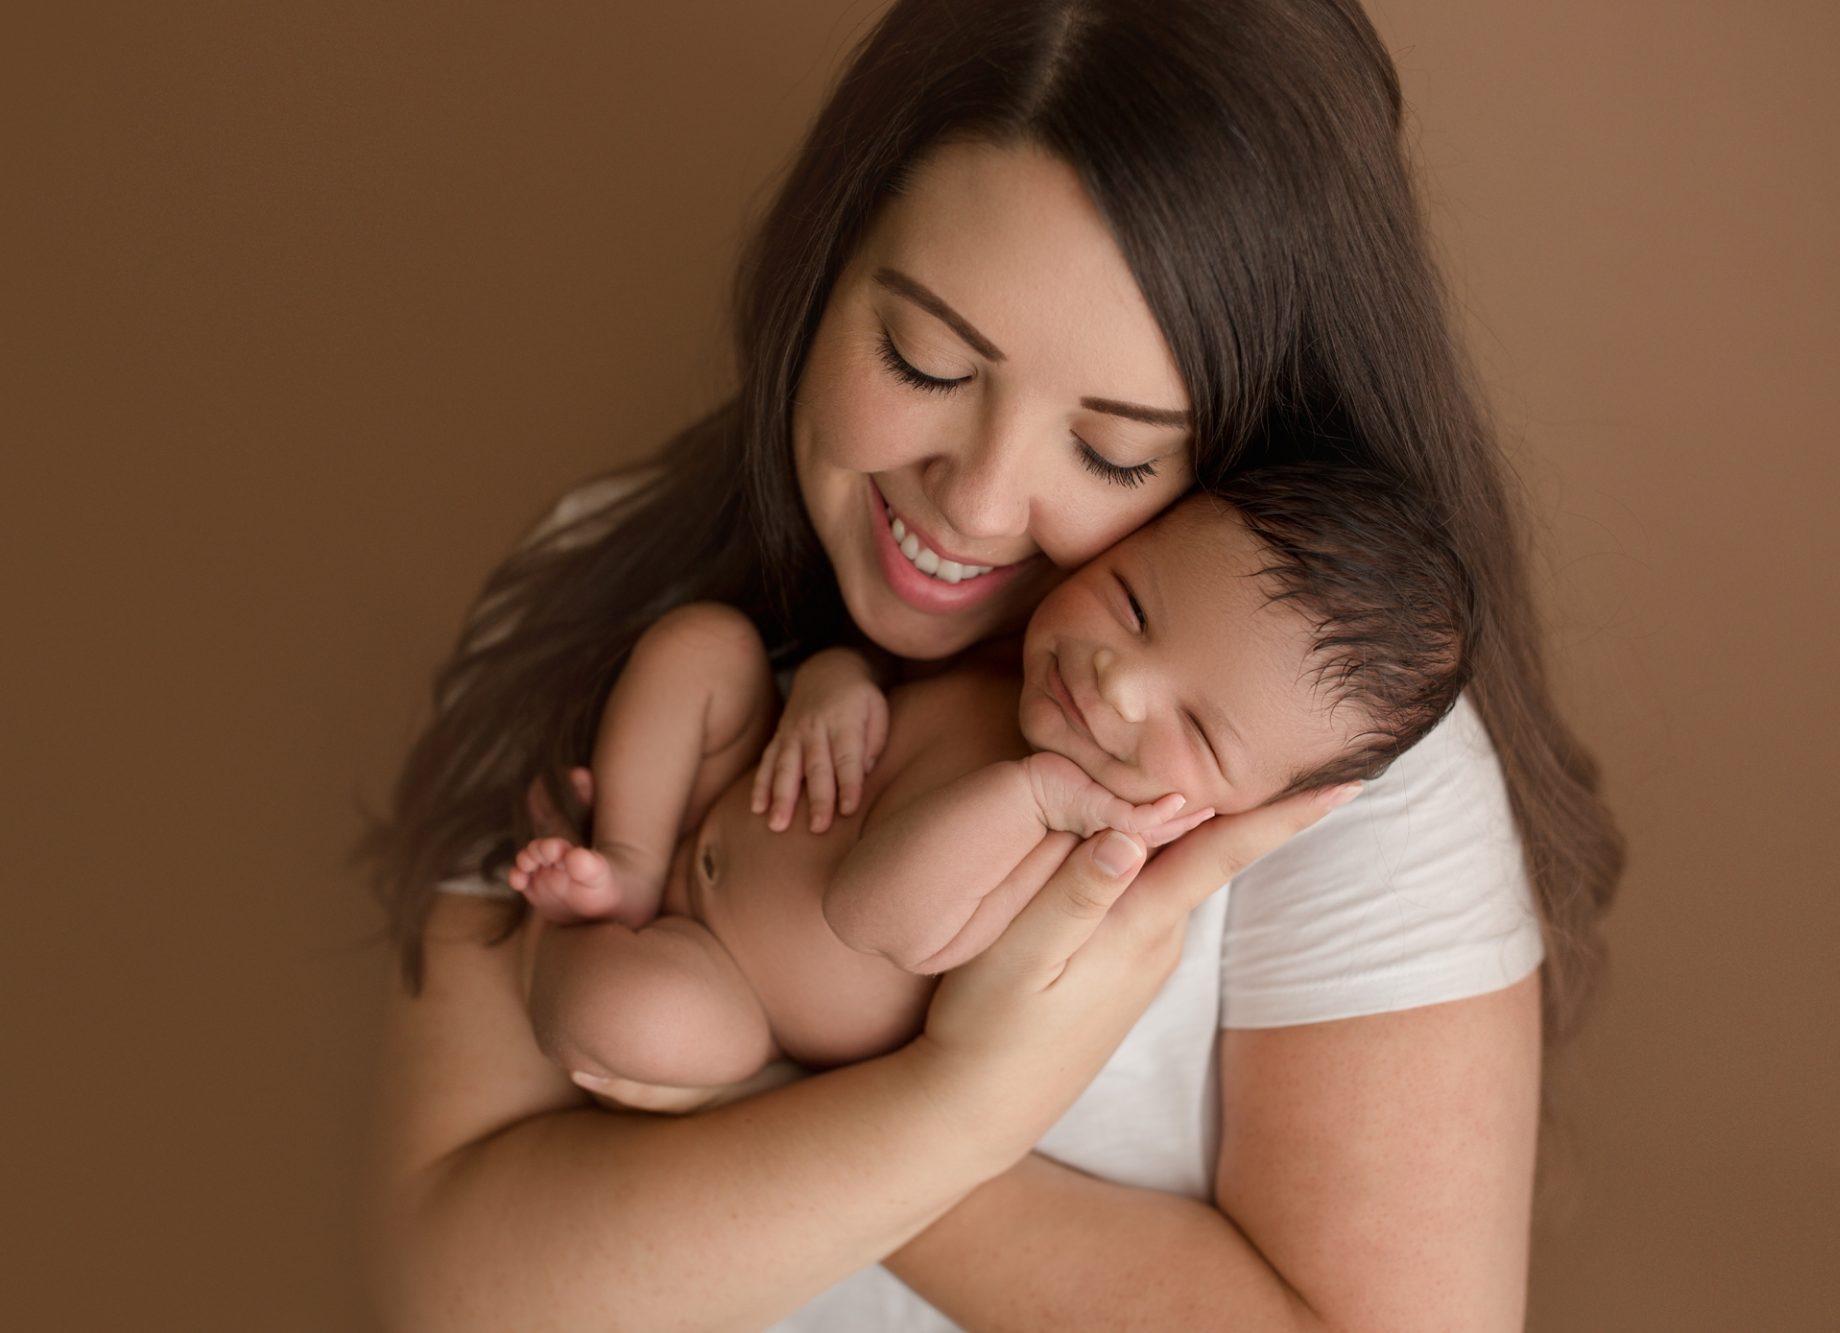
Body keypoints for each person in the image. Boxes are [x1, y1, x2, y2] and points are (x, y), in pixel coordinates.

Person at [357, 2, 1623, 1328]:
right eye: (923, 358)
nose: (975, 503)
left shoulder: (1326, 772)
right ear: (823, 268)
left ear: (1243, 456)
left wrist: (910, 1107)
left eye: (1116, 453)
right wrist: (938, 1102)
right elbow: (450, 1288)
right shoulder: (607, 580)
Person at [509, 465, 1474, 1098]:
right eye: (1133, 602)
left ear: (1238, 813)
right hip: (730, 789)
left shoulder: (1068, 852)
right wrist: (835, 689)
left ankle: (557, 943)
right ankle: (627, 857)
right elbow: (872, 672)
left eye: (1196, 729)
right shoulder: (1006, 656)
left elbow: (872, 912)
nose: (1121, 680)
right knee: (703, 646)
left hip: (733, 985)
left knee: (641, 1018)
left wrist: (1035, 798)